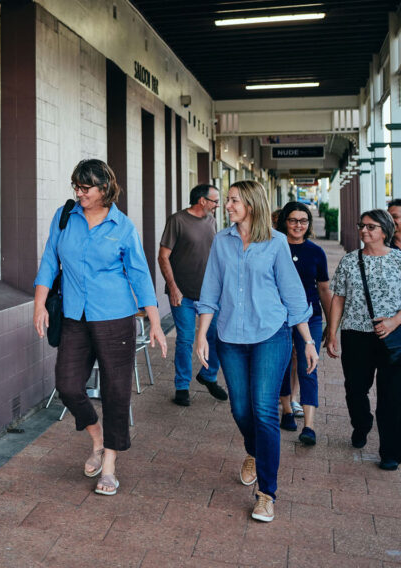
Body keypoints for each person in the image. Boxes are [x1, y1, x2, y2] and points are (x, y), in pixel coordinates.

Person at [33, 159, 167, 496]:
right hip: (75, 316)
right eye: (76, 187)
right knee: (67, 385)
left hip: (115, 317)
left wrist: (154, 320)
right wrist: (39, 304)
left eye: (86, 188)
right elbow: (49, 259)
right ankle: (96, 436)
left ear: (105, 188)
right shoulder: (65, 216)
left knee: (116, 391)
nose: (79, 193)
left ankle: (109, 463)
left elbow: (139, 274)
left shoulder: (122, 226)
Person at [195, 181, 317, 523]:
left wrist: (308, 341)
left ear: (250, 203)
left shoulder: (276, 243)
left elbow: (293, 295)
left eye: (233, 200)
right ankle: (255, 450)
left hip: (271, 335)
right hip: (230, 337)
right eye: (227, 200)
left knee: (264, 411)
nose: (227, 205)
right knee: (240, 408)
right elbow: (210, 291)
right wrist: (201, 335)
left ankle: (266, 493)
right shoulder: (221, 241)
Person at [325, 209, 401, 471]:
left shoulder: (399, 260)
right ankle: (361, 424)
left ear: (385, 230)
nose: (364, 230)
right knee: (355, 389)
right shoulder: (349, 261)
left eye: (370, 226)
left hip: (392, 336)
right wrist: (331, 332)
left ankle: (390, 452)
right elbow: (339, 298)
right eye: (362, 226)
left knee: (391, 397)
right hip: (355, 335)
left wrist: (394, 321)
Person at [158, 183, 227, 407]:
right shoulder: (177, 220)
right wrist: (173, 287)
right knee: (186, 340)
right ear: (202, 201)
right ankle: (182, 386)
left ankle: (208, 376)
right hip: (183, 294)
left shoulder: (211, 220)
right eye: (215, 201)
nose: (218, 205)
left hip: (210, 295)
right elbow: (163, 256)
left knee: (217, 336)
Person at [274, 202, 332, 445]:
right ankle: (287, 410)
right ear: (284, 222)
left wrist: (331, 324)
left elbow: (324, 289)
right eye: (293, 220)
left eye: (303, 221)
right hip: (279, 317)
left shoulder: (316, 252)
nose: (298, 225)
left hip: (311, 316)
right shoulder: (274, 248)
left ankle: (309, 426)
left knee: (309, 366)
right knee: (283, 363)